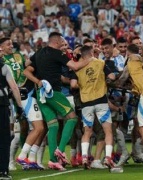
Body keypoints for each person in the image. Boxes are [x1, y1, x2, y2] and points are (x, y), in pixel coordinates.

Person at [23, 32, 88, 171]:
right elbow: (75, 67)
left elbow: (27, 65)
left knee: (53, 126)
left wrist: (38, 80)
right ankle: (60, 149)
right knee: (72, 117)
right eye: (63, 41)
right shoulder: (57, 53)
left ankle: (53, 161)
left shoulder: (39, 52)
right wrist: (91, 58)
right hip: (53, 92)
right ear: (57, 41)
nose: (64, 45)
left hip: (40, 94)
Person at [70, 45, 123, 173]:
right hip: (101, 101)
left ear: (82, 55)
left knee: (87, 131)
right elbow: (112, 76)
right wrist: (102, 81)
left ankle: (83, 158)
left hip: (86, 103)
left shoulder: (77, 67)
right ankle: (108, 158)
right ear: (92, 53)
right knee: (108, 131)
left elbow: (73, 85)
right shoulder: (101, 63)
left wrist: (84, 84)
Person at [0, 48, 23, 180]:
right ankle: (3, 171)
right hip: (1, 105)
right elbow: (14, 87)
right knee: (3, 139)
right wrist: (19, 107)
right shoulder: (4, 67)